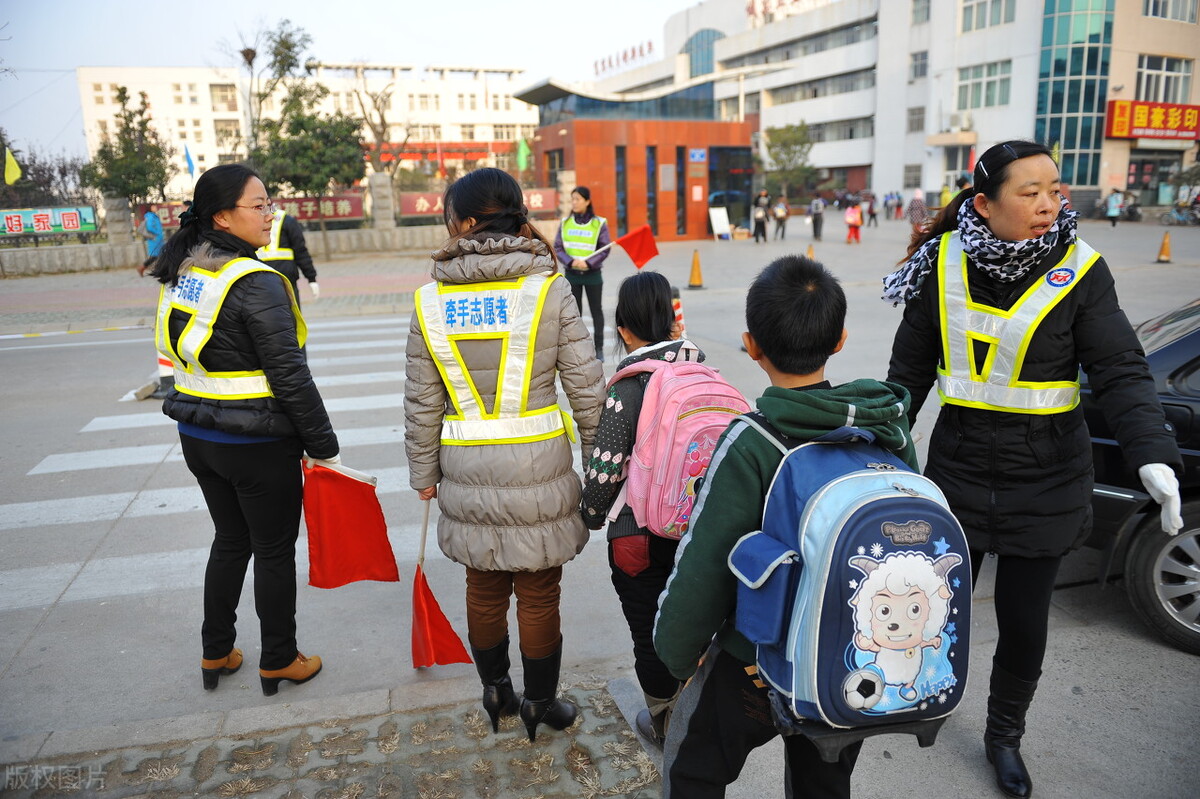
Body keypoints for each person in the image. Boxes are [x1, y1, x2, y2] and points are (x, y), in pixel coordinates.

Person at [883, 140, 1183, 799]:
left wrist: (1152, 452)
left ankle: (1003, 736)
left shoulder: (1081, 271)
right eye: (1031, 192)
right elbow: (905, 378)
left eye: (1055, 189)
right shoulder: (943, 265)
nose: (1050, 203)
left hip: (1046, 480)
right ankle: (924, 698)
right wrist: (878, 445)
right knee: (937, 608)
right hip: (958, 474)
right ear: (984, 205)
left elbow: (1122, 371)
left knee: (1022, 622)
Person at [654, 255, 916, 798]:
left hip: (754, 663)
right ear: (840, 339)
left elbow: (704, 564)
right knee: (824, 780)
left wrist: (678, 654)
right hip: (848, 659)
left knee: (695, 767)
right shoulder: (885, 428)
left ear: (751, 345)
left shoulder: (753, 441)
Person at [405, 167, 606, 742]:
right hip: (540, 469)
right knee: (539, 592)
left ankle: (497, 693)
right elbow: (587, 389)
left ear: (464, 224)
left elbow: (422, 398)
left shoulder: (430, 299)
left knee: (482, 585)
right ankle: (542, 704)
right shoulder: (549, 287)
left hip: (465, 471)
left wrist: (423, 473)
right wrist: (602, 470)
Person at [150, 163, 339, 696]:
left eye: (268, 202)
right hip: (257, 446)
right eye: (259, 205)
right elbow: (290, 376)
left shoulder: (188, 273)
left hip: (200, 439)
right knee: (273, 551)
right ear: (223, 216)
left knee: (230, 540)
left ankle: (216, 652)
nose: (269, 213)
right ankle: (279, 658)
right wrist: (324, 446)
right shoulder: (256, 282)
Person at [580, 270, 692, 748]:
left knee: (649, 633)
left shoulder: (628, 387)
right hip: (698, 533)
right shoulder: (701, 373)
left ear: (623, 329)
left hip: (640, 536)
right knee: (693, 621)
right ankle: (696, 711)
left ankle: (665, 722)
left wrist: (588, 515)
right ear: (671, 323)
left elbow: (605, 471)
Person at [553, 186, 610, 360]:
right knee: (573, 314)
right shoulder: (565, 223)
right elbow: (558, 247)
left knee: (596, 312)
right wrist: (571, 262)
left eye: (578, 199)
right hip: (572, 275)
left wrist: (588, 262)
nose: (575, 203)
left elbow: (604, 248)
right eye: (573, 199)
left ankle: (598, 348)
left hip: (592, 275)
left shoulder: (598, 223)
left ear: (587, 201)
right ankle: (576, 349)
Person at [257, 207, 319, 304]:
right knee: (290, 315)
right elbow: (300, 250)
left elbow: (300, 251)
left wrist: (311, 278)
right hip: (284, 277)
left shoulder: (249, 219)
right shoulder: (286, 219)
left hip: (261, 277)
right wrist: (311, 278)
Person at [138, 208, 164, 277]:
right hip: (155, 239)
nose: (155, 207)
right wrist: (157, 233)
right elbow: (149, 227)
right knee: (155, 256)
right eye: (153, 206)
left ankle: (160, 270)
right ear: (150, 208)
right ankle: (142, 268)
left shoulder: (153, 216)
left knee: (159, 255)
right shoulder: (151, 216)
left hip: (156, 239)